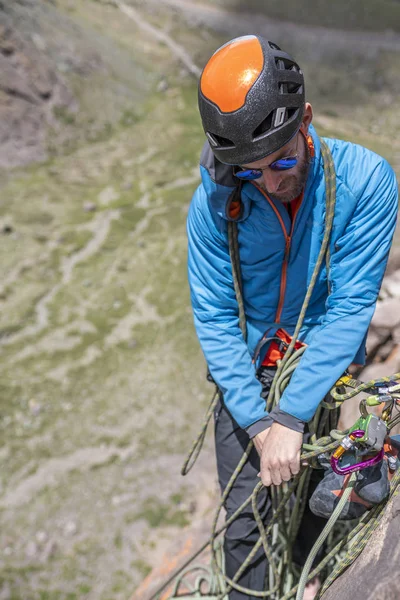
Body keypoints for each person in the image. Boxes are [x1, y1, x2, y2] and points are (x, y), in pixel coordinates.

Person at [186, 35, 398, 599]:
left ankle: (309, 580)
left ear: (306, 119)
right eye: (253, 173)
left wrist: (293, 413)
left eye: (282, 160)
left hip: (319, 360)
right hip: (249, 366)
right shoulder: (215, 204)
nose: (273, 183)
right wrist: (259, 421)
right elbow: (213, 314)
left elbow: (351, 304)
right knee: (245, 514)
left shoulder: (366, 182)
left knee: (312, 494)